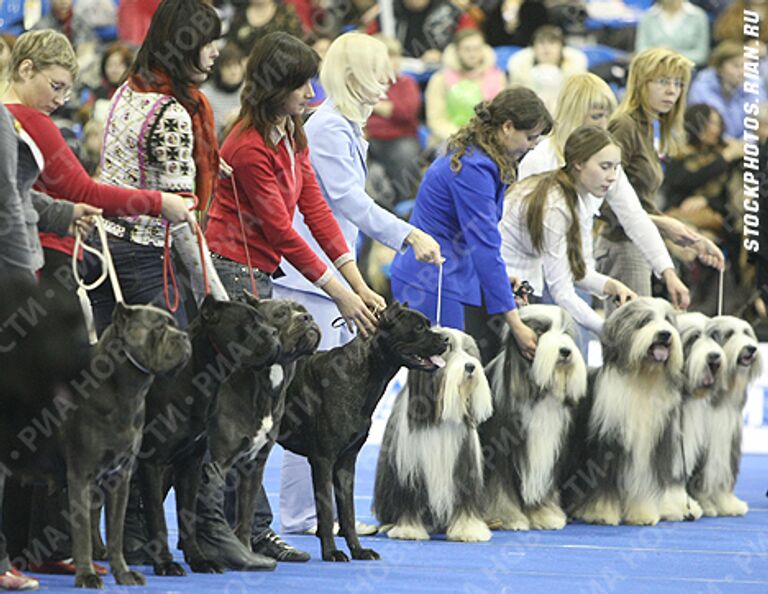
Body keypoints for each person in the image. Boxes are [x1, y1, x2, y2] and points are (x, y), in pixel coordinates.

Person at [273, 32, 442, 536]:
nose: (388, 82)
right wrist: (409, 233)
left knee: (321, 405)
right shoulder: (326, 127)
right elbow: (349, 202)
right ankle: (302, 515)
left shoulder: (344, 126)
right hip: (311, 283)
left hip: (328, 277)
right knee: (309, 404)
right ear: (352, 76)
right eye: (378, 71)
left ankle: (312, 513)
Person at [517, 73, 723, 350]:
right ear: (575, 113)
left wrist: (667, 271)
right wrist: (605, 326)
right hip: (532, 280)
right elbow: (550, 264)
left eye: (607, 116)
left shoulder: (604, 161)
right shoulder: (539, 161)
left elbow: (634, 216)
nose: (606, 125)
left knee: (579, 360)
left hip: (575, 276)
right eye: (597, 116)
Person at [1, 29, 193, 313]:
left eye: (67, 92)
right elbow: (84, 191)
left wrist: (65, 212)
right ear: (26, 69)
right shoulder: (32, 120)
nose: (60, 99)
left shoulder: (11, 115)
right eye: (56, 86)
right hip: (36, 257)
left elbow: (21, 196)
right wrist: (160, 202)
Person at [88, 0, 230, 335]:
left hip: (103, 246)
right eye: (208, 44)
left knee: (114, 372)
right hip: (144, 258)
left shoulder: (128, 89)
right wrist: (217, 299)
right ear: (185, 46)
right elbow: (179, 219)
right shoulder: (173, 114)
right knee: (172, 370)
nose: (215, 53)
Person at [390, 86, 551, 357]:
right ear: (508, 127)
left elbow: (471, 241)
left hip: (445, 275)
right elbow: (484, 246)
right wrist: (516, 324)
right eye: (531, 137)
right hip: (431, 281)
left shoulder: (480, 157)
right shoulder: (473, 168)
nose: (533, 145)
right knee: (443, 380)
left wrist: (501, 280)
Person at [501, 126, 636, 335]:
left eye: (616, 168)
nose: (612, 177)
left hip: (522, 284)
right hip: (502, 285)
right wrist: (606, 331)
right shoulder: (555, 204)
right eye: (605, 167)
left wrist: (612, 286)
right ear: (578, 163)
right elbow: (561, 292)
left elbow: (577, 270)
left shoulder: (580, 199)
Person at [594, 48, 697, 310]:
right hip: (621, 246)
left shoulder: (647, 127)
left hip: (635, 244)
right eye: (663, 82)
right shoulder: (625, 126)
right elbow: (604, 201)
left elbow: (640, 202)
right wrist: (664, 225)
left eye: (678, 83)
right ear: (641, 83)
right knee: (632, 341)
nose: (672, 91)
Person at [425, 28, 505, 146]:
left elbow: (502, 115)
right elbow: (435, 120)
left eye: (477, 49)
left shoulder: (497, 76)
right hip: (449, 139)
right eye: (467, 49)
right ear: (457, 51)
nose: (472, 54)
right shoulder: (440, 79)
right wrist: (463, 137)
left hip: (488, 139)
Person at [688, 41, 767, 139]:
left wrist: (744, 144)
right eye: (736, 66)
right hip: (711, 145)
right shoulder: (700, 88)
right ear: (719, 67)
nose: (743, 72)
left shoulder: (756, 86)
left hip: (746, 146)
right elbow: (699, 126)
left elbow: (761, 125)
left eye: (747, 66)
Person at [507, 25, 587, 112]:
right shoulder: (520, 72)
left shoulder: (575, 72)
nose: (546, 48)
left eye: (552, 43)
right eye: (541, 43)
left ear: (561, 48)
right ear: (533, 48)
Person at [635, 0, 710, 67]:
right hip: (653, 70)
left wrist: (672, 55)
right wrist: (659, 55)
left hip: (689, 71)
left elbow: (701, 55)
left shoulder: (698, 16)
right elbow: (641, 50)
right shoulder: (647, 16)